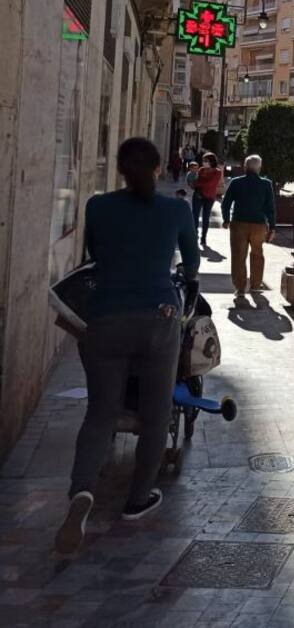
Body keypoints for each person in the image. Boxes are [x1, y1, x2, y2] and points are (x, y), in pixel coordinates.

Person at [55, 138, 200, 555]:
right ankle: (138, 499)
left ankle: (83, 490)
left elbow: (95, 253)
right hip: (159, 317)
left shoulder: (98, 206)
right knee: (156, 413)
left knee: (101, 412)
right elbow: (191, 264)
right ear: (158, 169)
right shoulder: (177, 209)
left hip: (106, 317)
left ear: (119, 169)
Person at [221, 154, 276, 298]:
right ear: (259, 168)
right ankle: (256, 285)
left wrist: (226, 219)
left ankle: (240, 288)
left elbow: (226, 203)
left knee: (238, 256)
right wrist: (272, 227)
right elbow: (270, 207)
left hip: (239, 224)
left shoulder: (236, 182)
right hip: (259, 225)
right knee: (257, 254)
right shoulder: (266, 184)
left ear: (245, 167)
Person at [192, 153, 223, 246]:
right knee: (195, 216)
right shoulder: (201, 170)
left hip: (209, 197)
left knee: (206, 217)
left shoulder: (217, 172)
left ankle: (203, 237)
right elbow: (196, 181)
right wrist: (197, 183)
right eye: (203, 161)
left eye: (206, 161)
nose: (204, 162)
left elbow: (210, 183)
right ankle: (194, 235)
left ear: (211, 161)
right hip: (198, 195)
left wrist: (198, 183)